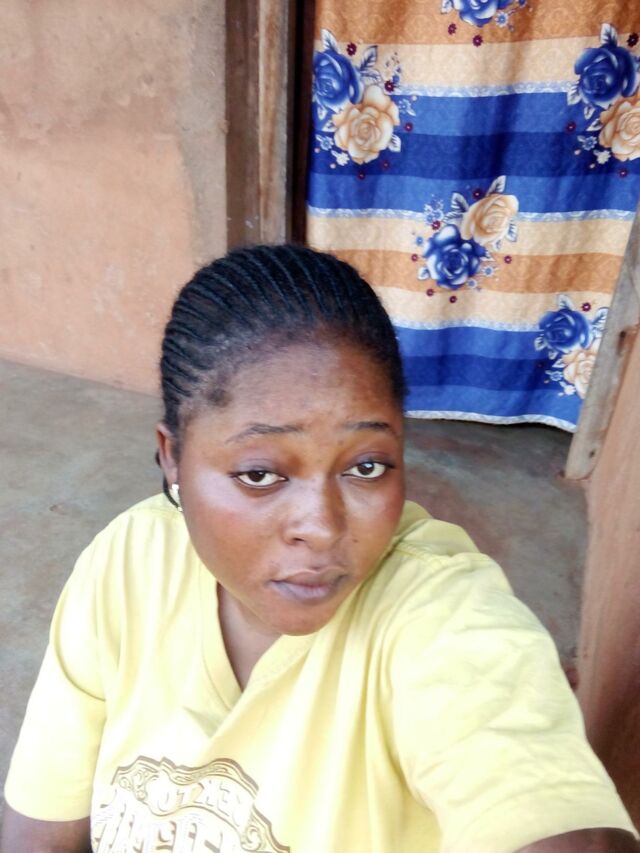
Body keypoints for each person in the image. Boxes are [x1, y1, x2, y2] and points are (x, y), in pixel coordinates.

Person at [1, 244, 637, 853]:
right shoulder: (128, 562)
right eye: (260, 474)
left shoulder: (436, 616)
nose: (323, 527)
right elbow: (41, 829)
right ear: (172, 458)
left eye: (366, 466)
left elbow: (541, 802)